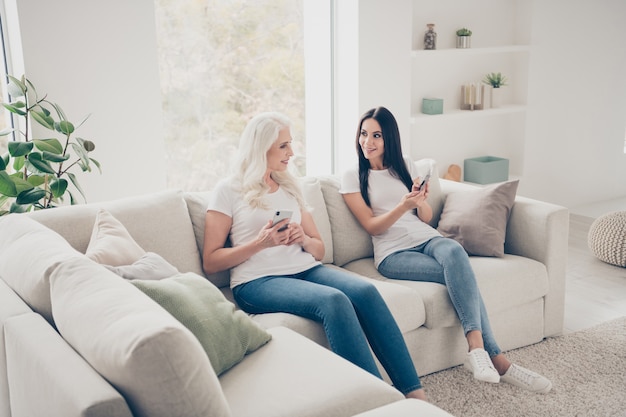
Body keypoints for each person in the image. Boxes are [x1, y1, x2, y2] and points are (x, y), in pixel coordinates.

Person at [202, 111, 427, 401]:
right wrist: (261, 243)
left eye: (290, 144)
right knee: (333, 301)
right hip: (257, 281)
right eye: (283, 145)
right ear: (262, 147)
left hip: (305, 267)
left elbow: (319, 250)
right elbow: (211, 261)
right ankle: (379, 401)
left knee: (366, 291)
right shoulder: (228, 190)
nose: (291, 152)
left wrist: (303, 239)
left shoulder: (289, 186)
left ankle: (415, 394)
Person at [339, 106, 552, 394]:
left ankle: (477, 350)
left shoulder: (405, 164)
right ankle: (498, 360)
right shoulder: (353, 176)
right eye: (364, 134)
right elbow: (372, 227)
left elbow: (425, 218)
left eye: (376, 135)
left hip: (427, 238)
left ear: (389, 138)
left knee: (454, 253)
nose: (368, 141)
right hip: (394, 254)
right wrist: (402, 205)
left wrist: (419, 201)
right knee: (462, 277)